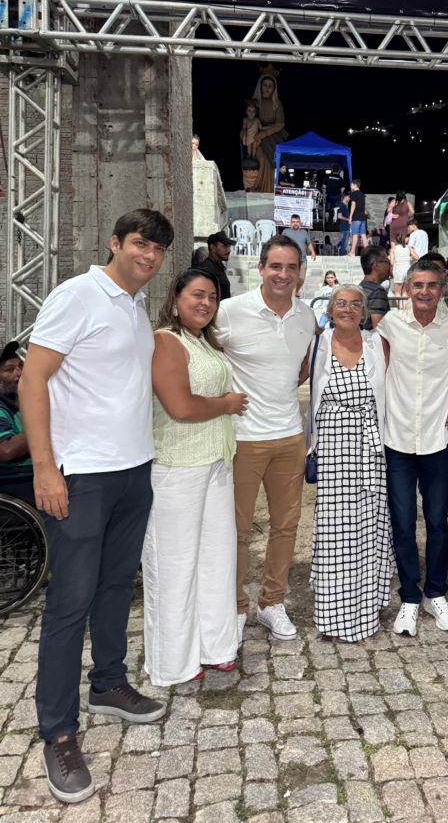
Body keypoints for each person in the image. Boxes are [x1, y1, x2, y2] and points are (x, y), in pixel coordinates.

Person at [19, 209, 173, 805]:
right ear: (114, 243)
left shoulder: (134, 305)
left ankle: (108, 684)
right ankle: (58, 732)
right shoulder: (76, 296)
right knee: (69, 603)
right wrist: (45, 466)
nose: (149, 256)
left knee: (114, 588)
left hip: (133, 469)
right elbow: (33, 380)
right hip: (81, 475)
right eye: (139, 244)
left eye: (157, 249)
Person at [143, 271, 248, 686]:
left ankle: (216, 646)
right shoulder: (165, 340)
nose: (206, 303)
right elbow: (180, 407)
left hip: (215, 463)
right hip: (177, 466)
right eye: (197, 295)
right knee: (175, 565)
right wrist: (227, 404)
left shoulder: (203, 341)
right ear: (176, 298)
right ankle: (173, 661)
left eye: (213, 297)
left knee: (216, 559)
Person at [214, 234, 316, 643]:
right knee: (236, 529)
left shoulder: (307, 316)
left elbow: (303, 368)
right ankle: (235, 605)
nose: (283, 274)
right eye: (276, 266)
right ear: (260, 268)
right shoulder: (229, 311)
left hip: (290, 436)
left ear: (299, 272)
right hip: (243, 438)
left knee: (286, 526)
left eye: (291, 267)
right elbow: (201, 356)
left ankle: (271, 602)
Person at [377, 259, 448, 636]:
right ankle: (410, 596)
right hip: (397, 440)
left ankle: (436, 593)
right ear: (406, 289)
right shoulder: (390, 324)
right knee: (402, 522)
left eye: (432, 285)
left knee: (437, 520)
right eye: (418, 285)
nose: (424, 292)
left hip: (438, 440)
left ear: (442, 289)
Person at [307, 285, 395, 641]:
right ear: (330, 310)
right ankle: (333, 613)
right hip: (331, 450)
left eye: (355, 304)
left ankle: (367, 609)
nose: (347, 309)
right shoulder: (317, 345)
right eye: (340, 303)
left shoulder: (378, 344)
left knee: (370, 526)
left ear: (364, 312)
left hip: (370, 448)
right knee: (334, 530)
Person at [0, 342, 34, 507]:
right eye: (9, 370)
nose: (19, 373)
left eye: (21, 366)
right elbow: (6, 450)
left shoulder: (23, 403)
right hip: (17, 484)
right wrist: (43, 429)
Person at [244, 74, 287, 192]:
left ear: (274, 88)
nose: (267, 89)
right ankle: (257, 187)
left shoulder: (277, 104)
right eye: (265, 85)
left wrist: (264, 133)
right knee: (261, 159)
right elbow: (249, 120)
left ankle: (270, 189)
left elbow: (280, 124)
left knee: (272, 162)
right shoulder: (255, 103)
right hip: (257, 139)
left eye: (270, 86)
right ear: (260, 86)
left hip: (272, 138)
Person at [359, 246, 391, 330]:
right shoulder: (377, 292)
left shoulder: (360, 288)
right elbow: (379, 330)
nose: (390, 266)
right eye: (387, 262)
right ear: (376, 265)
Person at [284, 214, 316, 295]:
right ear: (291, 223)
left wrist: (312, 252)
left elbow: (308, 243)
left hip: (302, 259)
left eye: (297, 222)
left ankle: (296, 291)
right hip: (290, 260)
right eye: (293, 222)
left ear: (300, 223)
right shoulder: (286, 232)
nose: (295, 223)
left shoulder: (304, 232)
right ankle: (293, 296)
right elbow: (282, 244)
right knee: (293, 278)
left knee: (301, 279)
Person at [201, 231, 233, 301]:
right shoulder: (207, 269)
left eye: (229, 247)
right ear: (213, 248)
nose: (229, 250)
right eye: (224, 246)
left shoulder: (218, 265)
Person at [390, 233, 415, 301]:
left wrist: (391, 272)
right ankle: (404, 306)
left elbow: (391, 263)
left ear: (395, 241)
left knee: (397, 292)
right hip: (408, 268)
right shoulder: (408, 247)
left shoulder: (393, 249)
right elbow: (417, 257)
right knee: (405, 292)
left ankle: (400, 306)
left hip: (398, 269)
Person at [348, 180, 368, 256]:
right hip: (363, 217)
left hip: (356, 217)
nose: (350, 186)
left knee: (355, 234)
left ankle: (352, 252)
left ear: (355, 185)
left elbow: (353, 206)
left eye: (351, 185)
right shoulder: (362, 195)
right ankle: (367, 252)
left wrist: (350, 217)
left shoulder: (353, 194)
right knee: (363, 234)